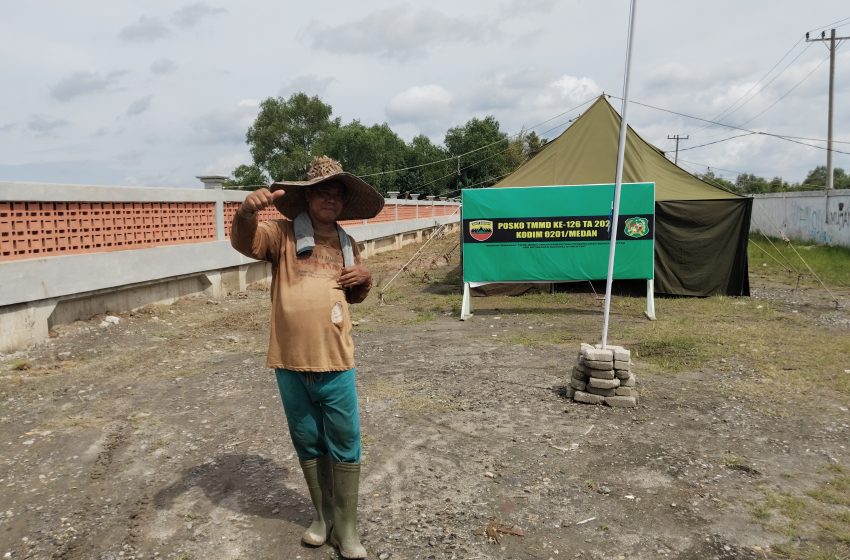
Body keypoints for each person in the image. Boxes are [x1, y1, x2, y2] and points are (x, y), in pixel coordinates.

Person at [230, 156, 384, 559]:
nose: (330, 199)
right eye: (322, 192)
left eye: (337, 194)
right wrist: (245, 212)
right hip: (290, 361)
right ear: (308, 197)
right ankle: (322, 517)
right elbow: (245, 243)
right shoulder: (281, 235)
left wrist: (365, 279)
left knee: (345, 442)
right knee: (308, 441)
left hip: (335, 361)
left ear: (343, 202)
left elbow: (356, 295)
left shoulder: (349, 244)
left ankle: (347, 529)